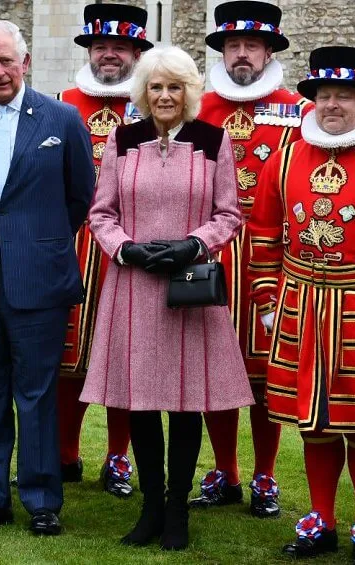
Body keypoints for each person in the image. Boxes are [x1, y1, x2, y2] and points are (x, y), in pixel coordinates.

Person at [80, 45, 254, 550]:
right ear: (143, 92)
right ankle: (150, 508)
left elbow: (229, 213)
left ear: (189, 93)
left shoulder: (213, 141)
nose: (164, 96)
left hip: (188, 287)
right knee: (139, 404)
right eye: (155, 87)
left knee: (183, 405)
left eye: (174, 87)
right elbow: (101, 213)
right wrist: (125, 249)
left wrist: (193, 244)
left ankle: (177, 511)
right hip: (133, 285)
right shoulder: (122, 138)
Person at [248, 46, 355, 565]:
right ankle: (320, 518)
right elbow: (262, 231)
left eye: (345, 95)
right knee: (315, 420)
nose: (332, 104)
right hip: (301, 300)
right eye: (324, 95)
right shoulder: (287, 155)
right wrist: (268, 296)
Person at [0, 20, 94, 535]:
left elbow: (81, 195)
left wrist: (41, 243)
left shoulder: (63, 118)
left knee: (36, 394)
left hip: (39, 280)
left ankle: (41, 500)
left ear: (25, 62)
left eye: (7, 60)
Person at [190, 0, 312, 517]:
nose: (242, 55)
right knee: (210, 366)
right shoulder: (198, 107)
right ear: (222, 50)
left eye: (252, 46)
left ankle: (265, 475)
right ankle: (226, 471)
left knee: (264, 374)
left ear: (268, 51)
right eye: (233, 45)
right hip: (207, 251)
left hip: (269, 258)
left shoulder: (300, 110)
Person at [55, 2, 152, 498]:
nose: (109, 55)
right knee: (67, 357)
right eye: (100, 46)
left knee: (125, 357)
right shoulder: (61, 101)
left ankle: (118, 457)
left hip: (129, 248)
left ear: (136, 53)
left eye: (119, 47)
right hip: (72, 243)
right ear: (89, 51)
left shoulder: (154, 107)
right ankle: (65, 454)